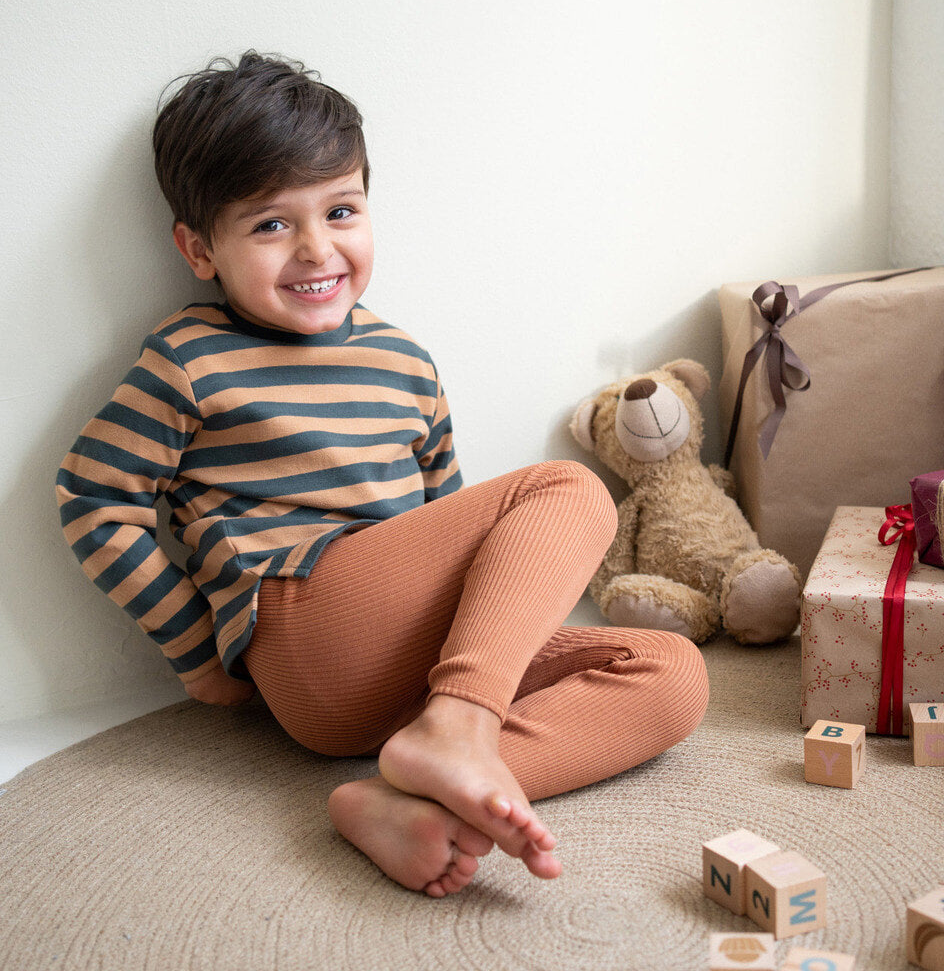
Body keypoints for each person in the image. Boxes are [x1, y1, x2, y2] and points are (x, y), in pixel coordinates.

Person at [56, 51, 709, 898]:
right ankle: (461, 726)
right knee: (569, 487)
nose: (316, 248)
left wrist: (479, 663)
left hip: (411, 673)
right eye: (270, 225)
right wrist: (193, 651)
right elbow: (94, 494)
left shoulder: (404, 362)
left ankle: (405, 796)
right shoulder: (191, 358)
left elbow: (454, 525)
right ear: (198, 247)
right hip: (305, 621)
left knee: (672, 677)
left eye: (341, 209)